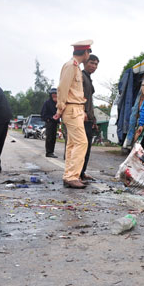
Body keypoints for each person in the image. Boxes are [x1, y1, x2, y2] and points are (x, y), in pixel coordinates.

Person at [53, 39, 92, 189]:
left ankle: (70, 175)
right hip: (70, 108)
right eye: (89, 52)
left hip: (76, 108)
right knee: (82, 142)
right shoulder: (71, 66)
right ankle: (71, 176)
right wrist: (60, 108)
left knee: (72, 144)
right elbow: (62, 88)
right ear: (85, 52)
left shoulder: (76, 67)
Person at [80, 54, 99, 181]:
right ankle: (76, 173)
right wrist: (83, 111)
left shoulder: (88, 78)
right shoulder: (81, 76)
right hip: (82, 117)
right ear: (85, 63)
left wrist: (93, 118)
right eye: (91, 63)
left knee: (86, 148)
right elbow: (78, 96)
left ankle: (82, 172)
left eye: (96, 64)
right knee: (80, 148)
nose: (94, 66)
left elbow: (90, 101)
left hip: (89, 118)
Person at [41, 88, 59, 158]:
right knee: (49, 137)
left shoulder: (58, 103)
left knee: (53, 137)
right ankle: (48, 152)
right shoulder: (47, 103)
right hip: (49, 122)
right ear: (50, 95)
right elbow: (43, 114)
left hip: (55, 122)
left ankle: (51, 151)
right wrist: (50, 118)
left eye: (55, 94)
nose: (54, 95)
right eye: (53, 94)